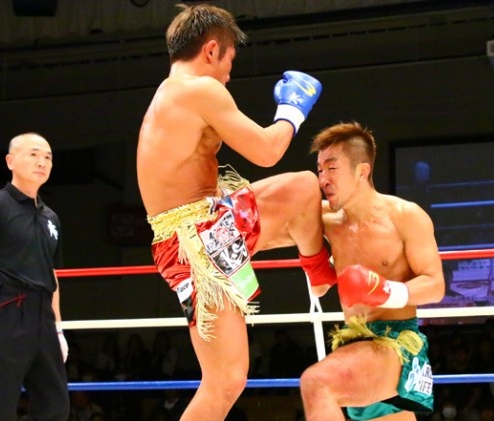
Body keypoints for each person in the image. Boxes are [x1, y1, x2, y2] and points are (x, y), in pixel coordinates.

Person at [136, 4, 334, 419]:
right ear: (211, 50)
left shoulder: (169, 94)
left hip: (210, 224)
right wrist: (293, 110)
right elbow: (267, 151)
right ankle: (322, 269)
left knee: (302, 190)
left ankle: (319, 274)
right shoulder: (199, 90)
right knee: (225, 380)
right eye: (229, 61)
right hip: (196, 242)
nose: (229, 74)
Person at [299, 122, 445, 421]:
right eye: (320, 170)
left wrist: (385, 291)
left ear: (362, 171)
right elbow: (273, 222)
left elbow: (435, 285)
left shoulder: (405, 216)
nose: (323, 179)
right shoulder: (324, 218)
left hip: (396, 342)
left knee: (317, 383)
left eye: (332, 168)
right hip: (355, 343)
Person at [0, 132, 70, 419]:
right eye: (33, 154)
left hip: (42, 316)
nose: (42, 162)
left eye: (47, 157)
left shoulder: (51, 218)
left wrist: (58, 329)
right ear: (10, 161)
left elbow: (51, 274)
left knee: (55, 404)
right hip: (3, 311)